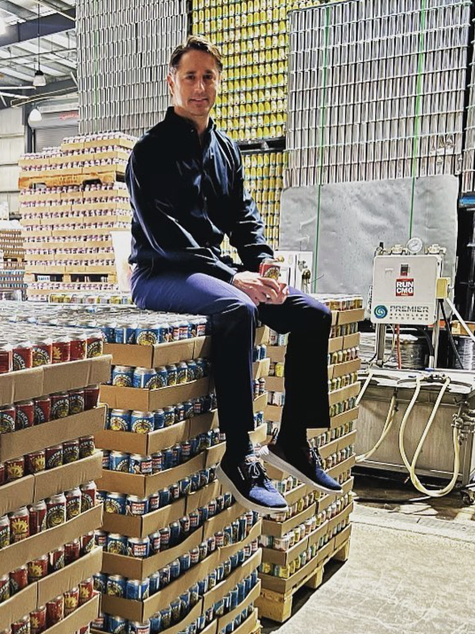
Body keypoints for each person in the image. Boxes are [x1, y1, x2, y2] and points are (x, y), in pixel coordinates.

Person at [125, 35, 342, 515]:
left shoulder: (227, 150)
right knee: (235, 306)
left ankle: (293, 440)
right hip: (162, 271)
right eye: (190, 77)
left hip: (211, 270)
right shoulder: (149, 153)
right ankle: (241, 453)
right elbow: (166, 237)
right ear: (171, 83)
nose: (199, 86)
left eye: (208, 77)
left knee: (312, 313)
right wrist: (233, 275)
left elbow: (244, 219)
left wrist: (262, 263)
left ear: (217, 83)